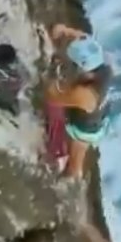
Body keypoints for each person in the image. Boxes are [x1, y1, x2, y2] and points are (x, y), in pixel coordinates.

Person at [45, 23, 112, 179]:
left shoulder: (84, 95)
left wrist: (54, 73)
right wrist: (66, 30)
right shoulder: (105, 64)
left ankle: (72, 174)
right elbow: (84, 39)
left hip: (85, 129)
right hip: (100, 112)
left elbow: (52, 96)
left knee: (77, 155)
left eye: (73, 64)